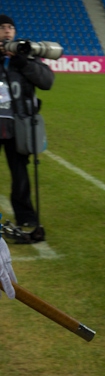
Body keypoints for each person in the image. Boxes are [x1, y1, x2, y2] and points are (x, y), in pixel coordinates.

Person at [0, 15, 55, 228]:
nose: (7, 31)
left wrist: (22, 62)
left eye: (10, 27)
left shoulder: (25, 55)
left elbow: (46, 81)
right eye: (3, 27)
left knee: (20, 174)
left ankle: (26, 216)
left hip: (18, 125)